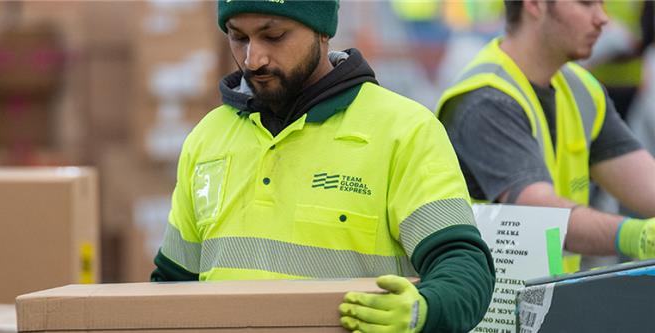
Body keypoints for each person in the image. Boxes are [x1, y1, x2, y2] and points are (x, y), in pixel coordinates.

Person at [151, 1, 494, 332]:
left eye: (274, 36)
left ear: (322, 32)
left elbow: (463, 267)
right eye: (238, 37)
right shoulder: (207, 138)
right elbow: (172, 285)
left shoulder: (403, 131)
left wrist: (424, 309)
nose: (253, 58)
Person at [436, 0, 655, 272]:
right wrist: (638, 236)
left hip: (555, 302)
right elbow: (541, 215)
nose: (602, 18)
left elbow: (646, 183)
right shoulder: (486, 99)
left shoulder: (581, 89)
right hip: (495, 309)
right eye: (586, 3)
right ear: (535, 4)